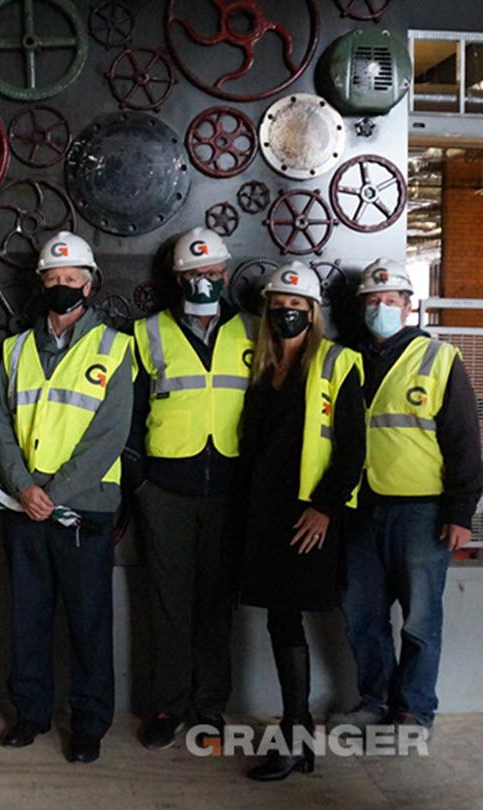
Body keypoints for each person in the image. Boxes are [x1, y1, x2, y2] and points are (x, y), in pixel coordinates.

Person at [0, 232, 134, 764]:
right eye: (54, 279)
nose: (63, 287)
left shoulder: (116, 348)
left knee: (88, 620)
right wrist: (25, 486)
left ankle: (90, 723)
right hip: (23, 503)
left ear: (89, 286)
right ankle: (30, 714)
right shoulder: (16, 348)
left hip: (83, 507)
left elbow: (110, 435)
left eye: (73, 280)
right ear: (41, 283)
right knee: (27, 616)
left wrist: (53, 492)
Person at [330, 259, 482, 734]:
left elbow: (463, 441)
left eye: (390, 301)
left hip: (421, 509)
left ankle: (413, 709)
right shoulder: (346, 359)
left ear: (408, 306)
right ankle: (374, 700)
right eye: (372, 302)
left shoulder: (438, 359)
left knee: (420, 619)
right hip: (360, 507)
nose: (380, 308)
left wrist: (460, 513)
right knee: (362, 614)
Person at [126, 226, 255, 750]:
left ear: (225, 274)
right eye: (193, 273)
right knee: (167, 605)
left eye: (212, 272)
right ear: (176, 277)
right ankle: (167, 707)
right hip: (166, 490)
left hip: (229, 489)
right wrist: (140, 484)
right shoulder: (146, 333)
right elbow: (130, 417)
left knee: (216, 606)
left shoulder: (252, 331)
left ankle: (210, 711)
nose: (204, 281)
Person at [236, 263, 365, 780]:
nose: (287, 314)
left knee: (288, 617)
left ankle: (294, 738)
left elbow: (354, 450)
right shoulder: (264, 366)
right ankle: (298, 736)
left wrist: (325, 509)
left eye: (297, 308)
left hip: (308, 513)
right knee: (279, 618)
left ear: (313, 314)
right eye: (279, 307)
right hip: (265, 513)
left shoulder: (338, 363)